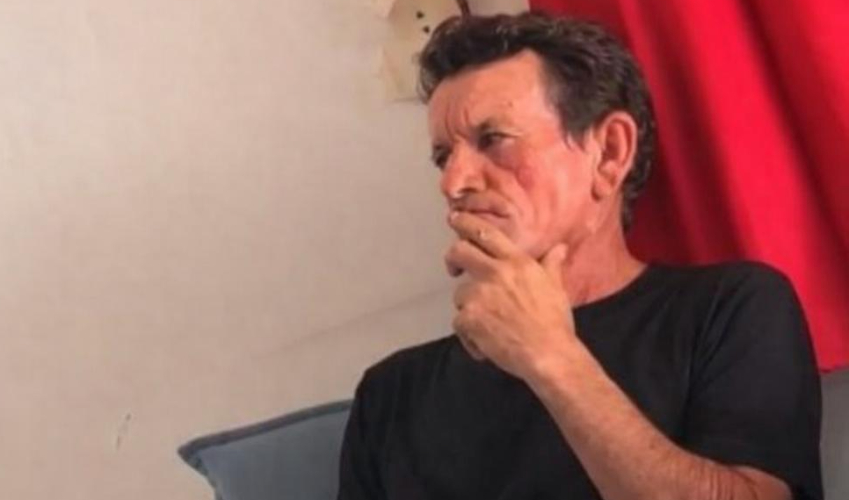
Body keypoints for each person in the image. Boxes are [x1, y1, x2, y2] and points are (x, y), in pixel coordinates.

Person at [337, 11, 822, 500]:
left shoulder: (730, 309)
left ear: (609, 153)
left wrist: (551, 357)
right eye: (444, 157)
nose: (453, 182)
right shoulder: (390, 393)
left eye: (494, 140)